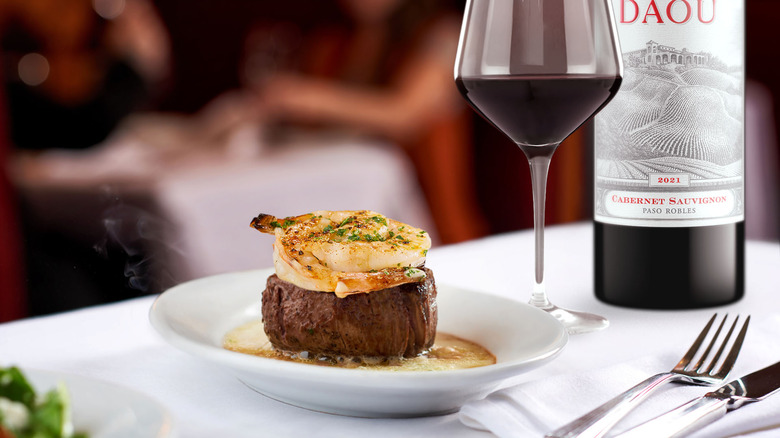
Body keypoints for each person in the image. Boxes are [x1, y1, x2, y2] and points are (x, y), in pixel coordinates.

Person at [245, 0, 489, 244]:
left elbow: (406, 113)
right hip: (355, 215)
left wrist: (314, 98)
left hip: (435, 221)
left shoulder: (442, 32)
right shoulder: (346, 39)